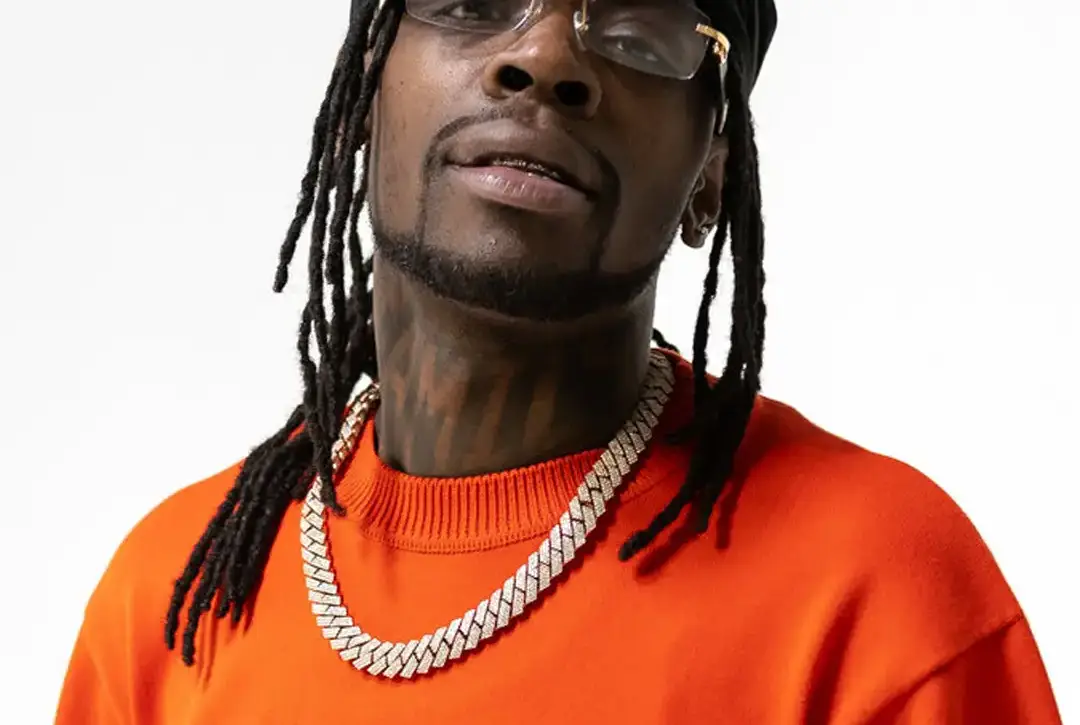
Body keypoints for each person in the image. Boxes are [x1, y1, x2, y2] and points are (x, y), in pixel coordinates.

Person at [56, 0, 1063, 722]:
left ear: (712, 173)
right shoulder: (171, 599)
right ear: (364, 85)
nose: (543, 57)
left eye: (638, 29)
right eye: (472, 1)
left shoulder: (878, 588)